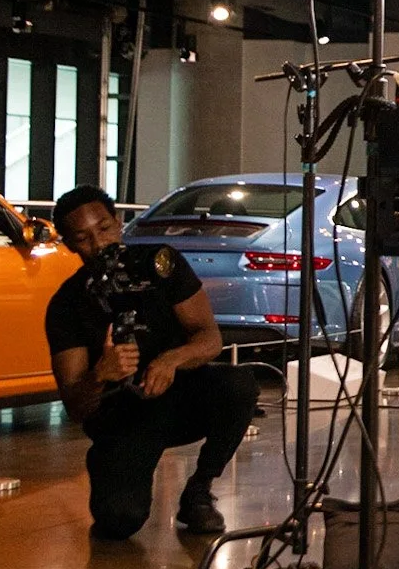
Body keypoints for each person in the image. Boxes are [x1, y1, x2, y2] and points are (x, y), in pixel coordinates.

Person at [45, 185, 257, 540]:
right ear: (69, 243)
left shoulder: (160, 264)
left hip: (178, 397)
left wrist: (171, 360)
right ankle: (110, 467)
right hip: (121, 417)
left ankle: (199, 490)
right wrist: (100, 375)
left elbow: (209, 339)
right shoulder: (67, 304)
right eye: (82, 238)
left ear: (118, 221)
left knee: (238, 384)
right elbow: (76, 406)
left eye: (104, 229)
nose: (98, 244)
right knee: (118, 521)